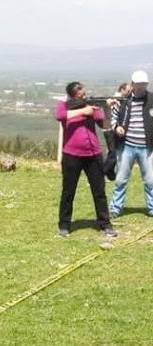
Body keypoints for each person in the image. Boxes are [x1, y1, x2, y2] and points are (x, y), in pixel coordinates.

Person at [55, 81, 117, 238]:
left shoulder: (91, 106)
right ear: (72, 95)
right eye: (79, 94)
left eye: (83, 94)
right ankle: (64, 225)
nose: (83, 96)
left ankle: (105, 224)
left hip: (93, 154)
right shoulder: (64, 105)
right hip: (71, 155)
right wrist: (84, 111)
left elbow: (105, 125)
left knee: (99, 191)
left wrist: (107, 108)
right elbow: (60, 116)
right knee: (68, 191)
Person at [109, 70, 153, 218]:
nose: (141, 87)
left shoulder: (152, 99)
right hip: (127, 146)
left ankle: (152, 208)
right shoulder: (123, 100)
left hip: (147, 147)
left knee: (150, 181)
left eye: (144, 84)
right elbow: (114, 117)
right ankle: (115, 208)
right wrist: (117, 128)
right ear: (132, 84)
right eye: (139, 84)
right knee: (121, 179)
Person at [103, 83, 131, 181]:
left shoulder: (121, 100)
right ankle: (102, 172)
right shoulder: (116, 100)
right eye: (127, 90)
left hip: (113, 129)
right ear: (122, 89)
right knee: (113, 153)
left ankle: (110, 174)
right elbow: (111, 115)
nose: (129, 92)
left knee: (114, 152)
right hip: (110, 129)